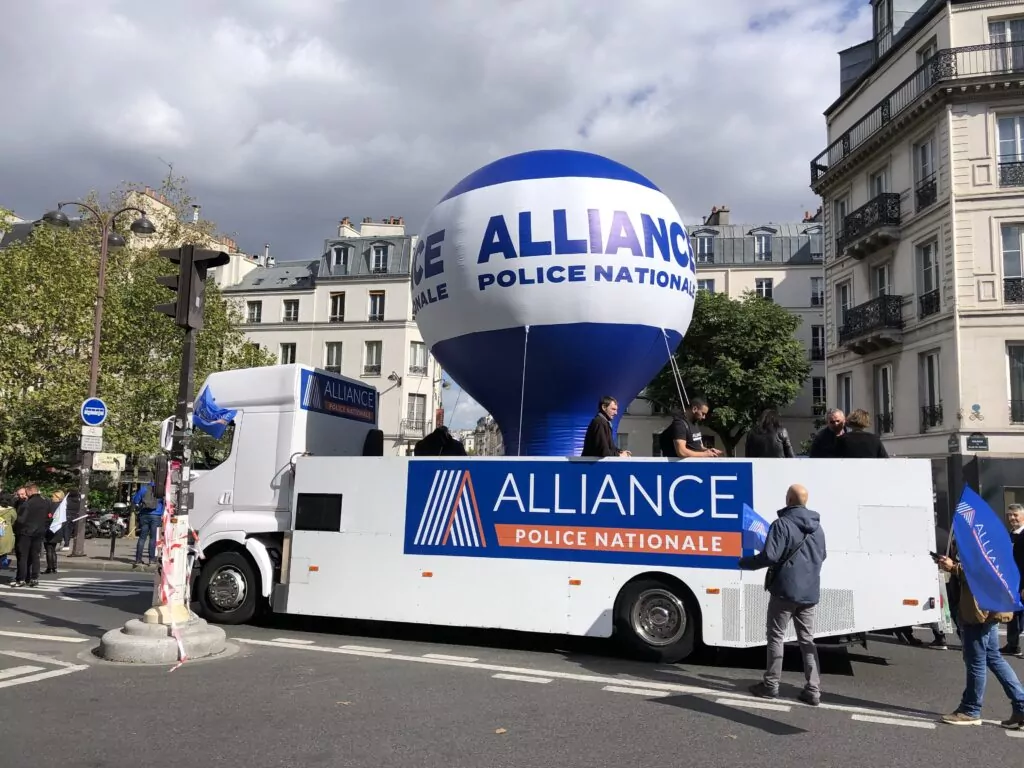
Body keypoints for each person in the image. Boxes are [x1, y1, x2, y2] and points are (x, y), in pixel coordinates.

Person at [739, 484, 827, 706]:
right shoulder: (818, 528)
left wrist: (745, 562)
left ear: (788, 499)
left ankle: (770, 685)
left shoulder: (782, 524)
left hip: (785, 591)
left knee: (776, 637)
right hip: (809, 593)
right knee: (807, 641)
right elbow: (822, 556)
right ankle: (813, 690)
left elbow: (770, 555)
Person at [936, 551, 1024, 727]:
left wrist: (954, 567)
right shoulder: (987, 533)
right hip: (989, 607)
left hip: (978, 610)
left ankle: (970, 710)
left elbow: (984, 573)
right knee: (993, 657)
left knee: (976, 661)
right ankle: (1021, 707)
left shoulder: (978, 537)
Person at [13, 483, 49, 587]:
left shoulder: (28, 503)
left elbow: (21, 520)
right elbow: (49, 517)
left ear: (29, 491)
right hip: (39, 532)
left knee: (23, 556)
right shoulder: (45, 502)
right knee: (35, 556)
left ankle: (21, 579)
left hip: (26, 532)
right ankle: (34, 578)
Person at [1004, 503, 1024, 657]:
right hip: (1011, 583)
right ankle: (1012, 645)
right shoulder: (1009, 534)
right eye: (1010, 515)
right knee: (1012, 615)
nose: (1012, 518)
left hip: (1022, 582)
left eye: (1015, 515)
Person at [132, 481, 164, 568]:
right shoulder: (161, 490)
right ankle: (151, 560)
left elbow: (135, 500)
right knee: (153, 538)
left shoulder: (144, 489)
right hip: (156, 516)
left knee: (142, 538)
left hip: (144, 516)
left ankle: (138, 559)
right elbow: (165, 503)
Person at [43, 490, 66, 575]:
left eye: (53, 496)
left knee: (48, 549)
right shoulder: (62, 507)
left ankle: (49, 567)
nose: (52, 498)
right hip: (58, 530)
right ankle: (54, 567)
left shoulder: (51, 506)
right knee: (53, 549)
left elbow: (48, 517)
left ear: (57, 497)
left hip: (50, 529)